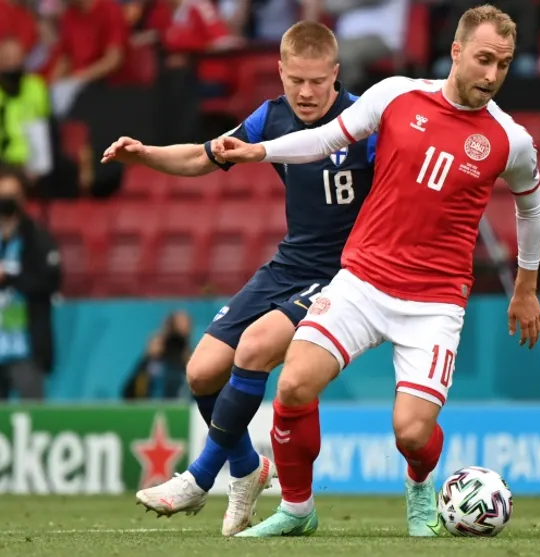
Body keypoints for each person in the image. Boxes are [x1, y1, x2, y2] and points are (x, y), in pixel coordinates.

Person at [213, 4, 540, 538]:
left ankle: (420, 483)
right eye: (484, 59)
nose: (492, 75)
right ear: (456, 51)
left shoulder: (511, 140)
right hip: (362, 281)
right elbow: (326, 138)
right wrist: (261, 151)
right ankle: (297, 510)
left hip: (434, 303)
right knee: (294, 384)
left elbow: (532, 206)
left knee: (411, 433)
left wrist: (525, 288)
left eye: (503, 65)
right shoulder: (396, 95)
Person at [101, 21, 376, 536]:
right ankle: (248, 469)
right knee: (202, 372)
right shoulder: (270, 117)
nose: (306, 92)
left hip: (345, 274)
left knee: (253, 348)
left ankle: (200, 477)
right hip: (290, 265)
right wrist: (146, 155)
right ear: (280, 71)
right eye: (296, 80)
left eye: (318, 81)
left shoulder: (365, 121)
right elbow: (204, 155)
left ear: (336, 74)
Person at [0, 166, 61, 400]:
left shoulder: (37, 236)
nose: (6, 202)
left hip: (26, 348)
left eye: (12, 196)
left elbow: (50, 281)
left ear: (23, 198)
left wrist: (10, 277)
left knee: (32, 414)